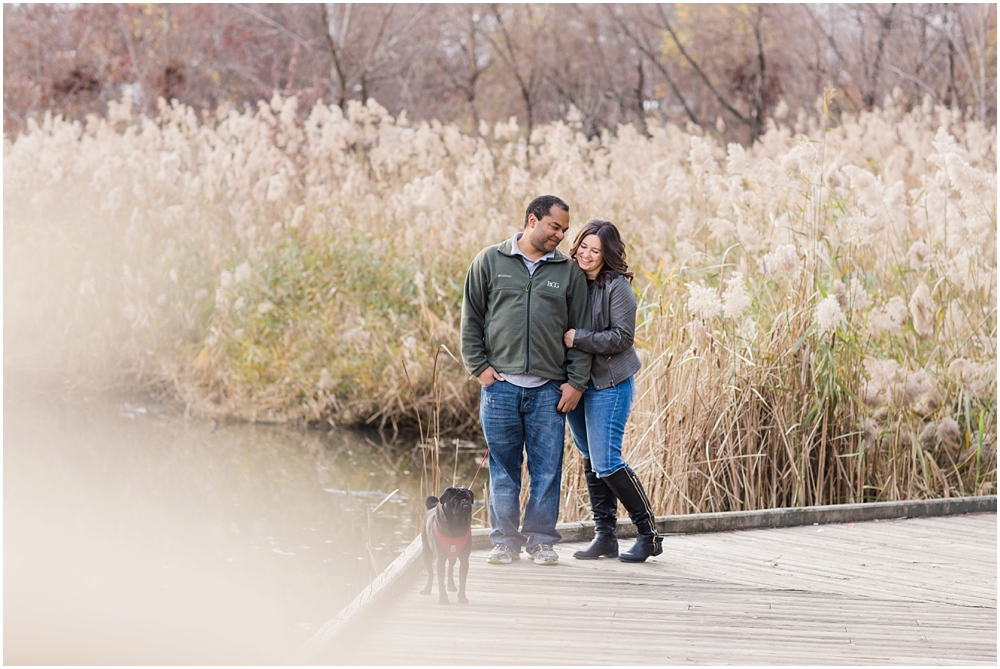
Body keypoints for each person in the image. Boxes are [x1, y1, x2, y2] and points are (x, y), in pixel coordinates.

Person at [461, 195, 592, 566]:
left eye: (565, 230)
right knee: (503, 470)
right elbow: (471, 319)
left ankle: (541, 542)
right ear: (532, 220)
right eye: (555, 227)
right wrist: (479, 367)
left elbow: (581, 331)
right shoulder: (489, 261)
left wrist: (576, 382)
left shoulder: (568, 272)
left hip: (549, 390)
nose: (561, 236)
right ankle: (505, 542)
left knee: (547, 471)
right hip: (500, 388)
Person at [563, 219, 663, 563]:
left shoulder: (616, 286)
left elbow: (623, 337)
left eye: (596, 250)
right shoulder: (570, 279)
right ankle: (605, 536)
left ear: (607, 255)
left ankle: (649, 535)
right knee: (591, 458)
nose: (587, 255)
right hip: (577, 384)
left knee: (606, 462)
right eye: (583, 247)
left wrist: (578, 338)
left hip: (610, 383)